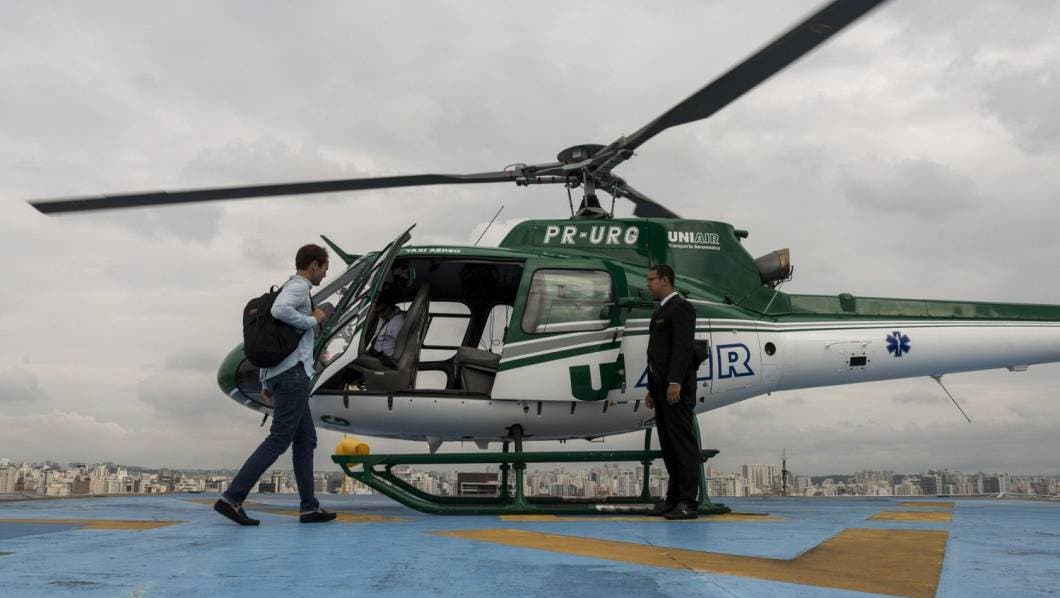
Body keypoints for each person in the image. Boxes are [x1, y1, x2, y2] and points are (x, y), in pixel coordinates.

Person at [215, 244, 337, 526]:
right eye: (324, 268)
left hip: (282, 374)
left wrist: (265, 379)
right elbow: (281, 311)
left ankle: (309, 508)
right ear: (314, 265)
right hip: (293, 376)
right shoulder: (298, 288)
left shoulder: (287, 288)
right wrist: (313, 320)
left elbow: (276, 342)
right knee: (279, 439)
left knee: (305, 440)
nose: (324, 274)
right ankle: (232, 498)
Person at [644, 264, 701, 520]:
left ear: (665, 280)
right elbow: (655, 355)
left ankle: (688, 501)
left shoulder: (681, 308)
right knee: (668, 445)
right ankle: (673, 498)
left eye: (652, 279)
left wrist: (675, 381)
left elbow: (682, 348)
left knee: (682, 444)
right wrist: (652, 389)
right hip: (662, 389)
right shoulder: (661, 310)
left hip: (676, 389)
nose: (648, 284)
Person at [365, 301, 404, 367]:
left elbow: (401, 344)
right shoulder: (384, 317)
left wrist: (392, 359)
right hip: (374, 353)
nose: (379, 315)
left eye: (381, 311)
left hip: (385, 359)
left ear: (389, 307)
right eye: (377, 313)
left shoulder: (398, 322)